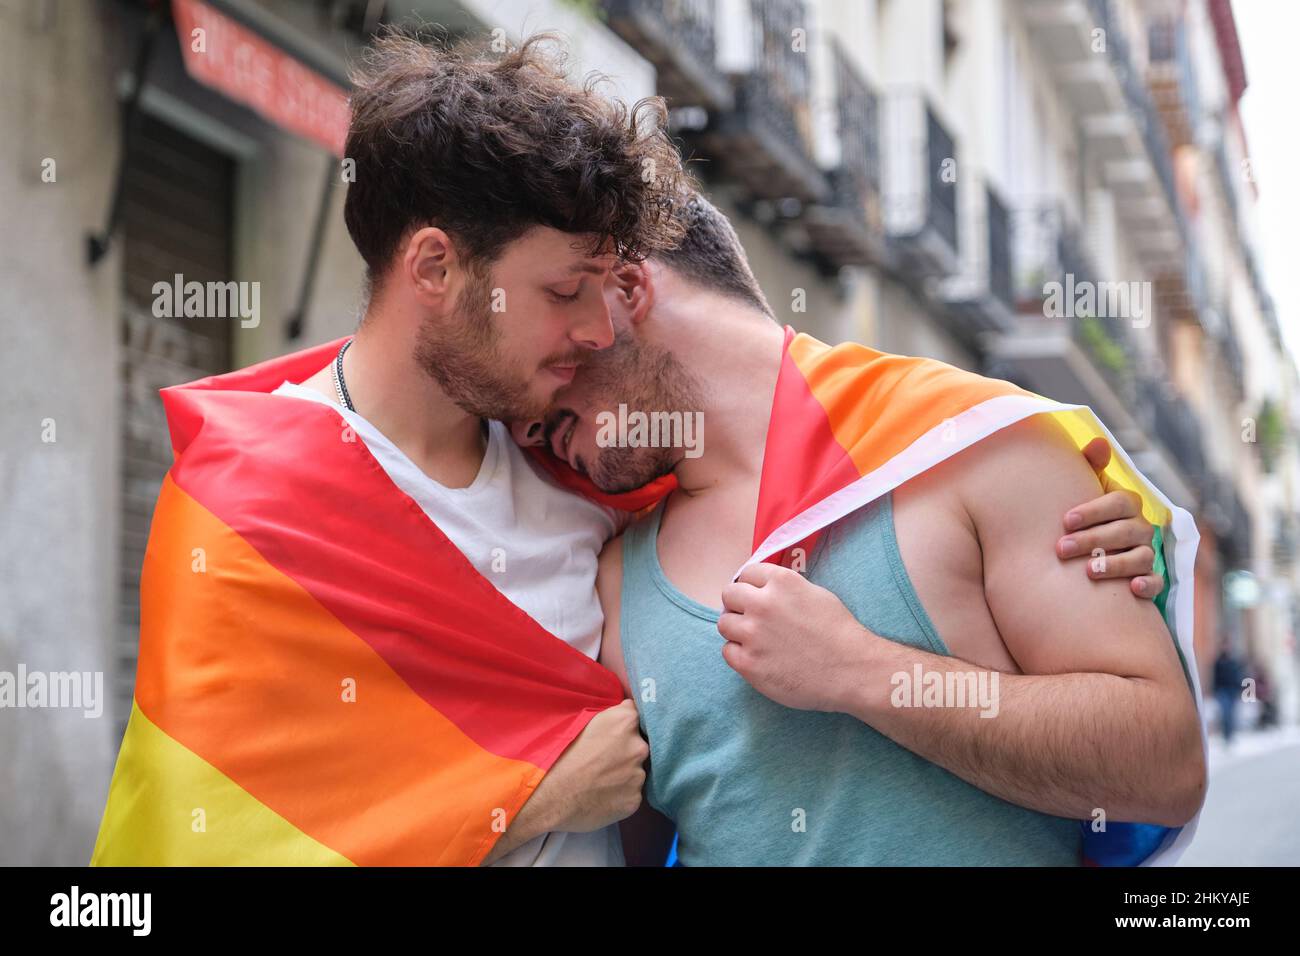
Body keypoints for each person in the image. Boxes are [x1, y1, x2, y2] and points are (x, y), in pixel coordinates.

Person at [511, 193, 1207, 865]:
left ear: (624, 290)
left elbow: (1166, 768)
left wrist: (864, 674)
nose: (524, 419)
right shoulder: (607, 574)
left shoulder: (971, 443)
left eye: (545, 344)